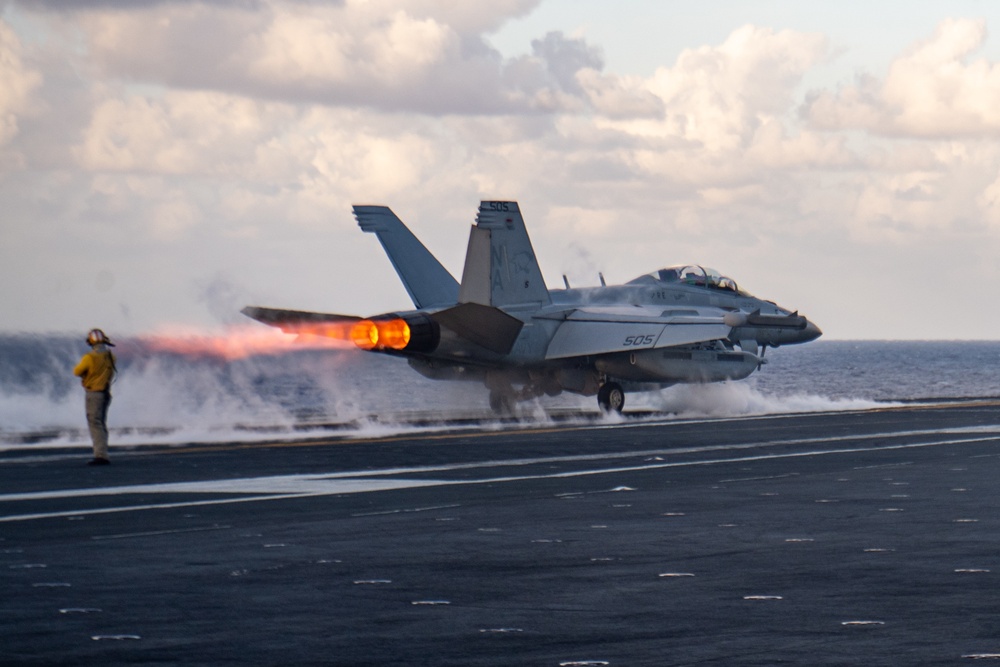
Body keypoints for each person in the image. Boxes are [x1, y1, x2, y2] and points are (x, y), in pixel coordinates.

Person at [73, 328, 117, 466]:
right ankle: (103, 452)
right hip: (106, 393)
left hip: (94, 394)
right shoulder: (110, 356)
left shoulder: (90, 357)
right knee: (101, 423)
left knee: (95, 423)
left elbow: (77, 371)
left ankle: (101, 455)